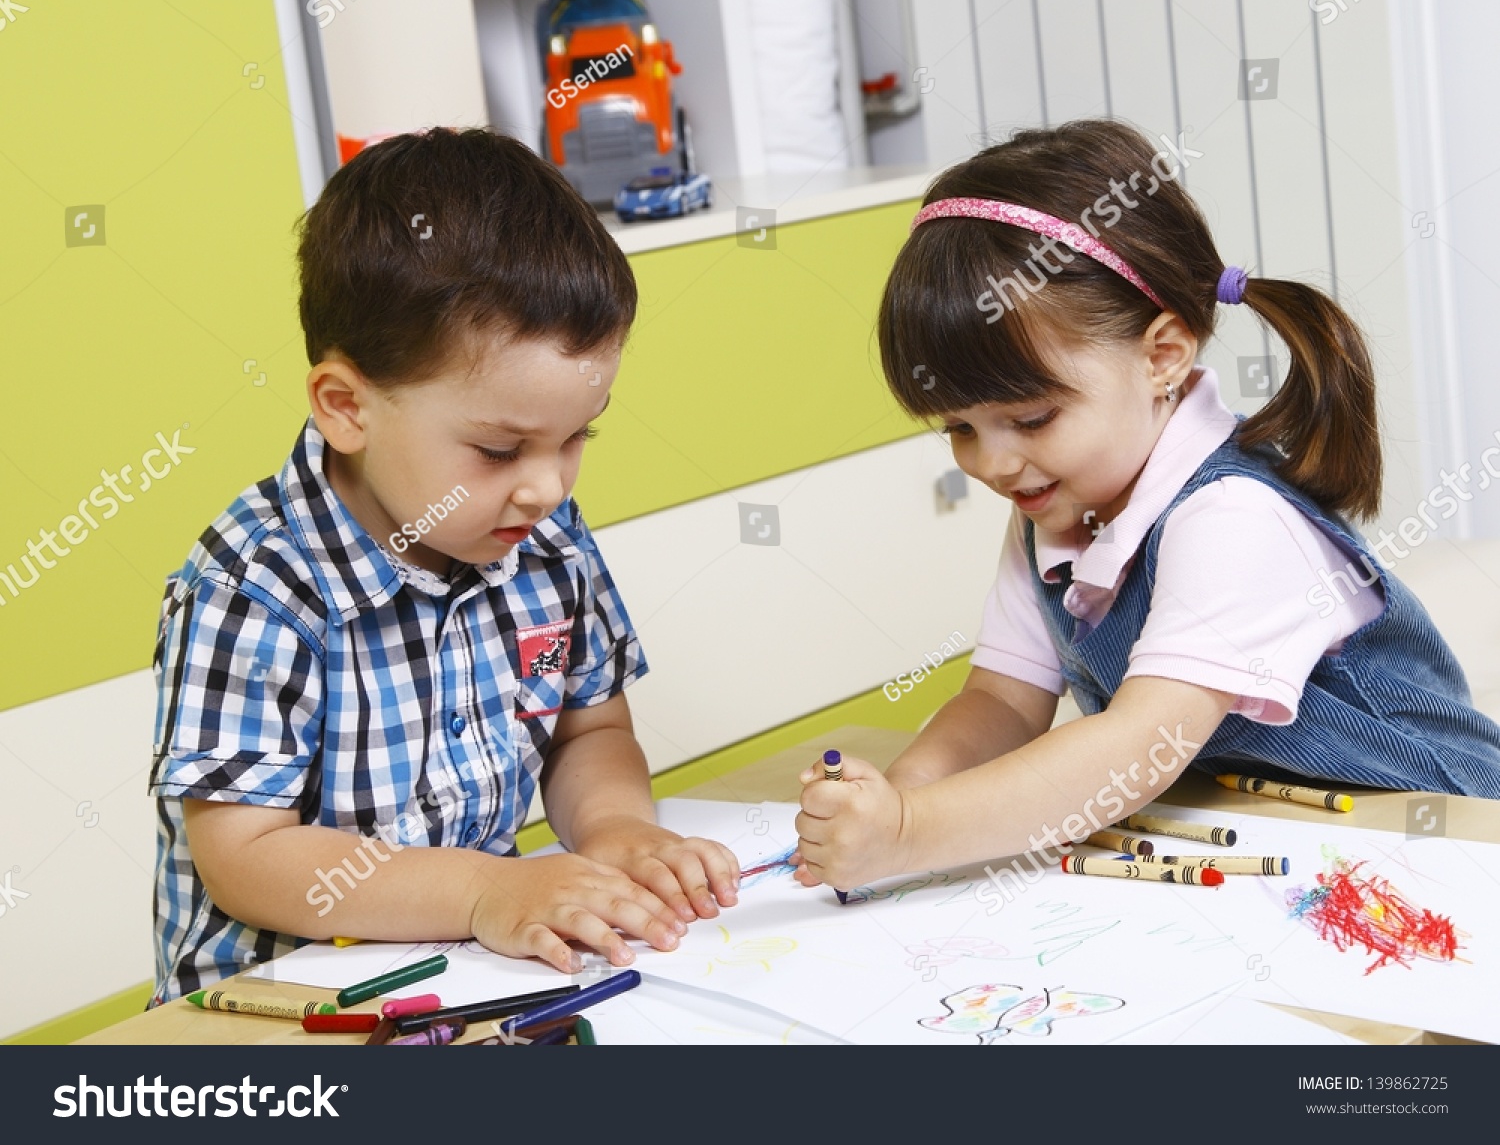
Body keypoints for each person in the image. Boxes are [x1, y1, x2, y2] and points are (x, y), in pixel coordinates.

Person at [793, 119, 1500, 892]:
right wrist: (893, 800)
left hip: (1447, 844)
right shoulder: (1051, 511)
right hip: (1274, 843)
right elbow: (999, 699)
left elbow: (1135, 749)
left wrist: (910, 835)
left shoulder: (1232, 519)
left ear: (1163, 355)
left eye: (1031, 419)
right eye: (959, 427)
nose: (990, 464)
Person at [149, 128, 737, 1004]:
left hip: (466, 984)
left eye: (578, 436)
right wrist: (483, 888)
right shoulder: (253, 586)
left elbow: (591, 731)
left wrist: (613, 829)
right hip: (271, 1016)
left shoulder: (545, 537)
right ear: (347, 408)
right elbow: (248, 859)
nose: (546, 486)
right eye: (500, 448)